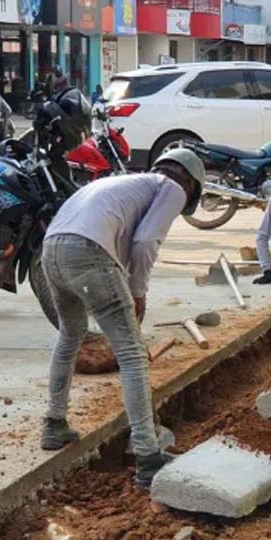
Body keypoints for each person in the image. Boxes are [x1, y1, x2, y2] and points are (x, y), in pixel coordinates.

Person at [40, 148, 206, 490]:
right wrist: (138, 291)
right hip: (87, 253)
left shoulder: (122, 184)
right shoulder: (172, 187)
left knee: (71, 333)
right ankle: (147, 457)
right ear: (189, 183)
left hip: (51, 252)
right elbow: (146, 241)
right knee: (132, 355)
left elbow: (128, 238)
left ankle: (54, 424)